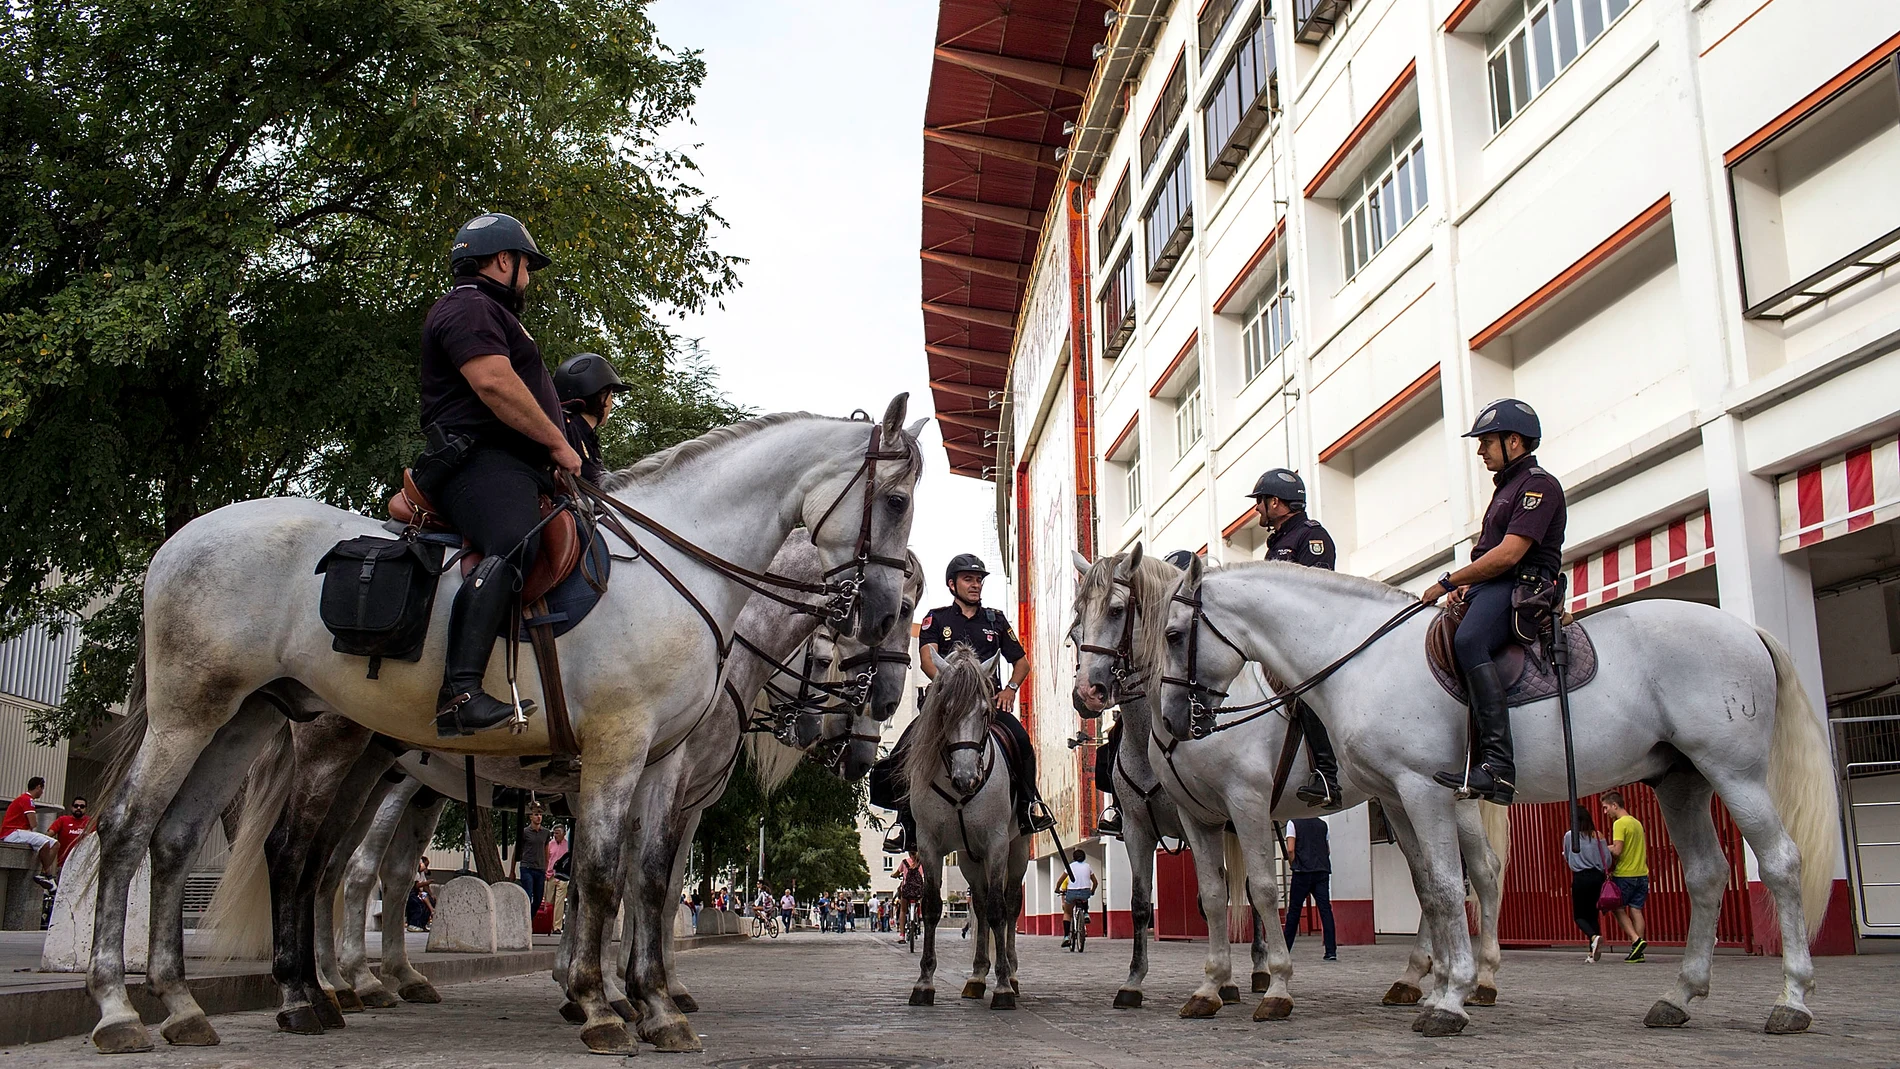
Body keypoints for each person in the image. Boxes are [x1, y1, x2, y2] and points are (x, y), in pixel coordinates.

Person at [417, 212, 581, 738]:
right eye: (527, 266)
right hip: (478, 463)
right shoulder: (469, 306)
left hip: (510, 467)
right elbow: (493, 382)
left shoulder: (486, 310)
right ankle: (459, 693)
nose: (529, 279)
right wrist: (558, 441)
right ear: (504, 260)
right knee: (516, 539)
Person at [1421, 399, 1566, 805]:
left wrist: (1449, 581)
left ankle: (1498, 766)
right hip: (1493, 586)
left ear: (1514, 441)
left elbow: (1508, 554)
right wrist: (1470, 585)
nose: (1481, 451)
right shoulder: (1507, 488)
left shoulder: (1538, 485)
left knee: (1469, 641)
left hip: (1521, 586)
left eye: (1487, 442)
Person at [874, 553, 1052, 853]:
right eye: (969, 579)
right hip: (945, 708)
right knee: (904, 748)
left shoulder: (994, 620)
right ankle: (905, 822)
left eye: (979, 579)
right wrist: (953, 682)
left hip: (986, 708)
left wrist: (1009, 689)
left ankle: (1027, 807)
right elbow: (929, 660)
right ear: (951, 584)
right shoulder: (936, 618)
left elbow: (1021, 663)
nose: (976, 585)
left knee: (1022, 743)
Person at [1250, 471, 1347, 810]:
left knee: (1305, 689)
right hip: (1278, 644)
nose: (1257, 510)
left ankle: (1325, 775)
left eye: (1260, 502)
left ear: (1275, 502)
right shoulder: (1276, 545)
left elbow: (1315, 595)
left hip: (1312, 642)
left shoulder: (1312, 537)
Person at [552, 352, 632, 483]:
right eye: (611, 395)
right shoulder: (566, 428)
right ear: (602, 398)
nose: (611, 403)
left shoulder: (587, 438)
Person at [1282, 816, 1337, 960]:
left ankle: (1285, 949)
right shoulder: (1322, 824)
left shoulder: (1292, 823)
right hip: (1321, 870)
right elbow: (1327, 850)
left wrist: (1293, 864)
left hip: (1302, 872)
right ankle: (1331, 951)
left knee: (1294, 911)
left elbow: (1291, 849)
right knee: (1325, 910)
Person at [1603, 791, 1649, 963]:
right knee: (1636, 910)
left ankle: (1636, 940)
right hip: (1642, 874)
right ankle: (1638, 951)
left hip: (1625, 875)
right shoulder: (1637, 823)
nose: (1606, 812)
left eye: (1606, 808)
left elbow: (1617, 850)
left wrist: (1602, 848)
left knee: (1617, 908)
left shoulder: (1620, 824)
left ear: (1615, 805)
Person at [1563, 803, 1612, 962]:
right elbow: (1607, 859)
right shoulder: (1598, 835)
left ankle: (1593, 937)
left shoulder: (1570, 836)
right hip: (1597, 878)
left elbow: (1567, 856)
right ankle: (1592, 952)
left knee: (1579, 916)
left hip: (1581, 877)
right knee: (1592, 915)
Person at [1, 777, 59, 890]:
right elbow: (33, 823)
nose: (42, 792)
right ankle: (48, 875)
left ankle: (43, 874)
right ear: (38, 787)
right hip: (13, 832)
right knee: (46, 842)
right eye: (42, 789)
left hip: (21, 831)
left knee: (56, 844)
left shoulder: (23, 799)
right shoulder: (27, 800)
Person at [510, 809, 552, 916]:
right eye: (536, 814)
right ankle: (524, 918)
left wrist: (547, 868)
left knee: (538, 898)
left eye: (541, 815)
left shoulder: (545, 833)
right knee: (528, 895)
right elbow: (516, 852)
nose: (539, 817)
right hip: (527, 867)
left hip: (540, 869)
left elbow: (546, 851)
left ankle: (529, 918)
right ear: (531, 817)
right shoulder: (524, 832)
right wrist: (512, 870)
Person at [47, 795, 90, 867]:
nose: (78, 808)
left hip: (83, 865)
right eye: (76, 806)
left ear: (85, 809)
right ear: (72, 807)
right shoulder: (62, 820)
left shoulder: (91, 822)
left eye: (82, 806)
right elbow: (48, 835)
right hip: (63, 864)